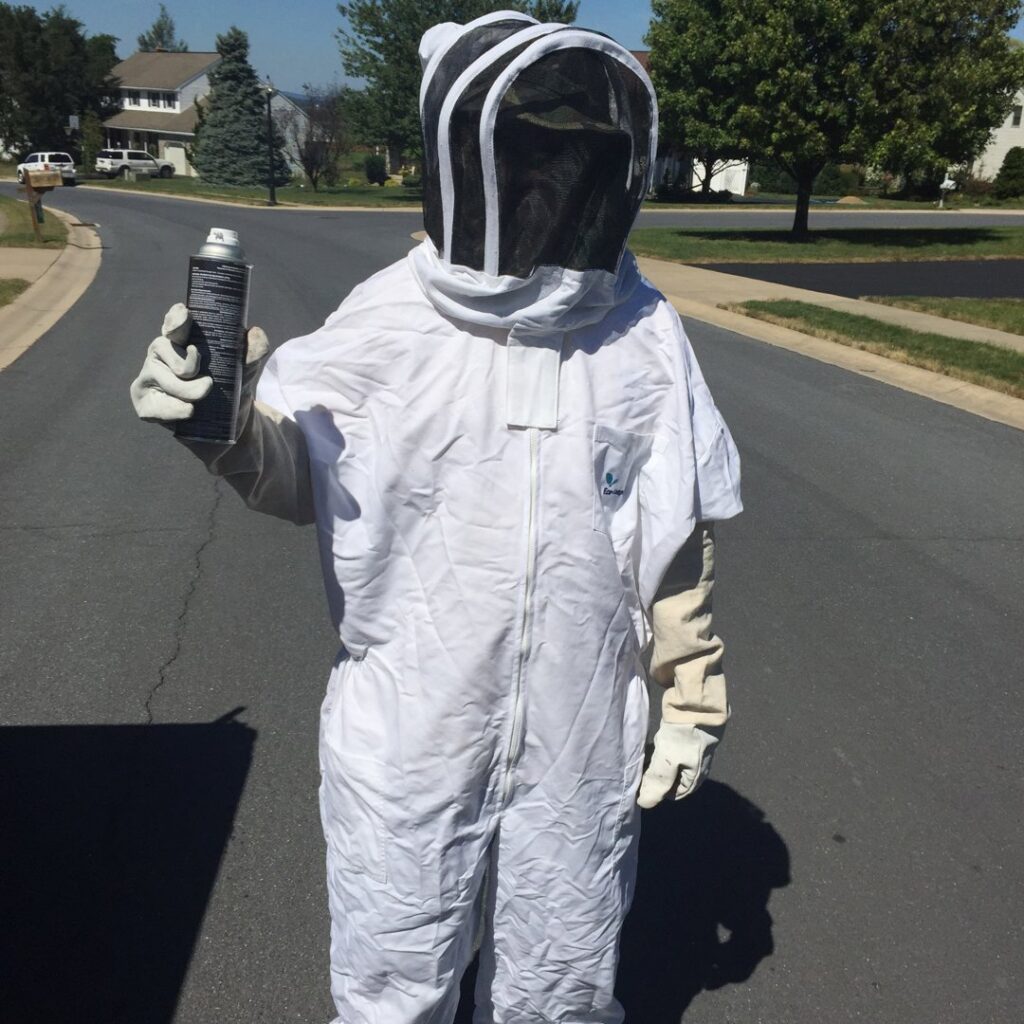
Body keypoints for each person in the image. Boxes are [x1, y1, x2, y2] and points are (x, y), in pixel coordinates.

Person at [130, 11, 742, 1024]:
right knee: (392, 984)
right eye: (529, 156)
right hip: (410, 728)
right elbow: (305, 475)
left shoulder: (640, 333)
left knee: (563, 984)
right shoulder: (389, 323)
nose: (549, 185)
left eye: (572, 160)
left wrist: (690, 698)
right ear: (468, 159)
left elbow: (676, 539)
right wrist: (224, 428)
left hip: (580, 731)